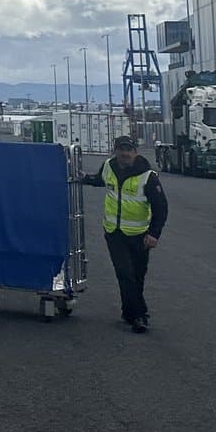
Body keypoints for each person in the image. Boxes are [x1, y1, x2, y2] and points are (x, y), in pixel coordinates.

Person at [78, 133, 168, 332]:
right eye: (121, 149)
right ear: (115, 150)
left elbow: (161, 207)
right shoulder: (109, 166)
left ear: (135, 152)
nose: (124, 154)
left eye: (128, 150)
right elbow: (101, 180)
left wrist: (154, 234)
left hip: (139, 235)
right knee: (125, 273)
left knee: (137, 275)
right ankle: (139, 315)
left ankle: (129, 311)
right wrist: (84, 179)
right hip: (114, 232)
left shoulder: (148, 176)